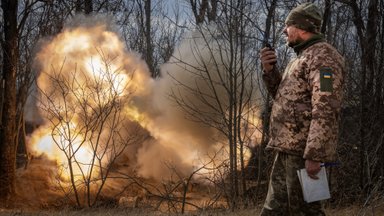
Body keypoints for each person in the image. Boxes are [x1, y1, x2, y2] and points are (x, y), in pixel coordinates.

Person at [259, 2, 345, 216]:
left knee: (306, 212)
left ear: (301, 27)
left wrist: (315, 154)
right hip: (287, 150)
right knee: (273, 211)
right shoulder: (301, 58)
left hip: (303, 153)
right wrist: (270, 71)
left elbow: (326, 106)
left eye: (288, 26)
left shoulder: (324, 57)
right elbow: (286, 99)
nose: (284, 30)